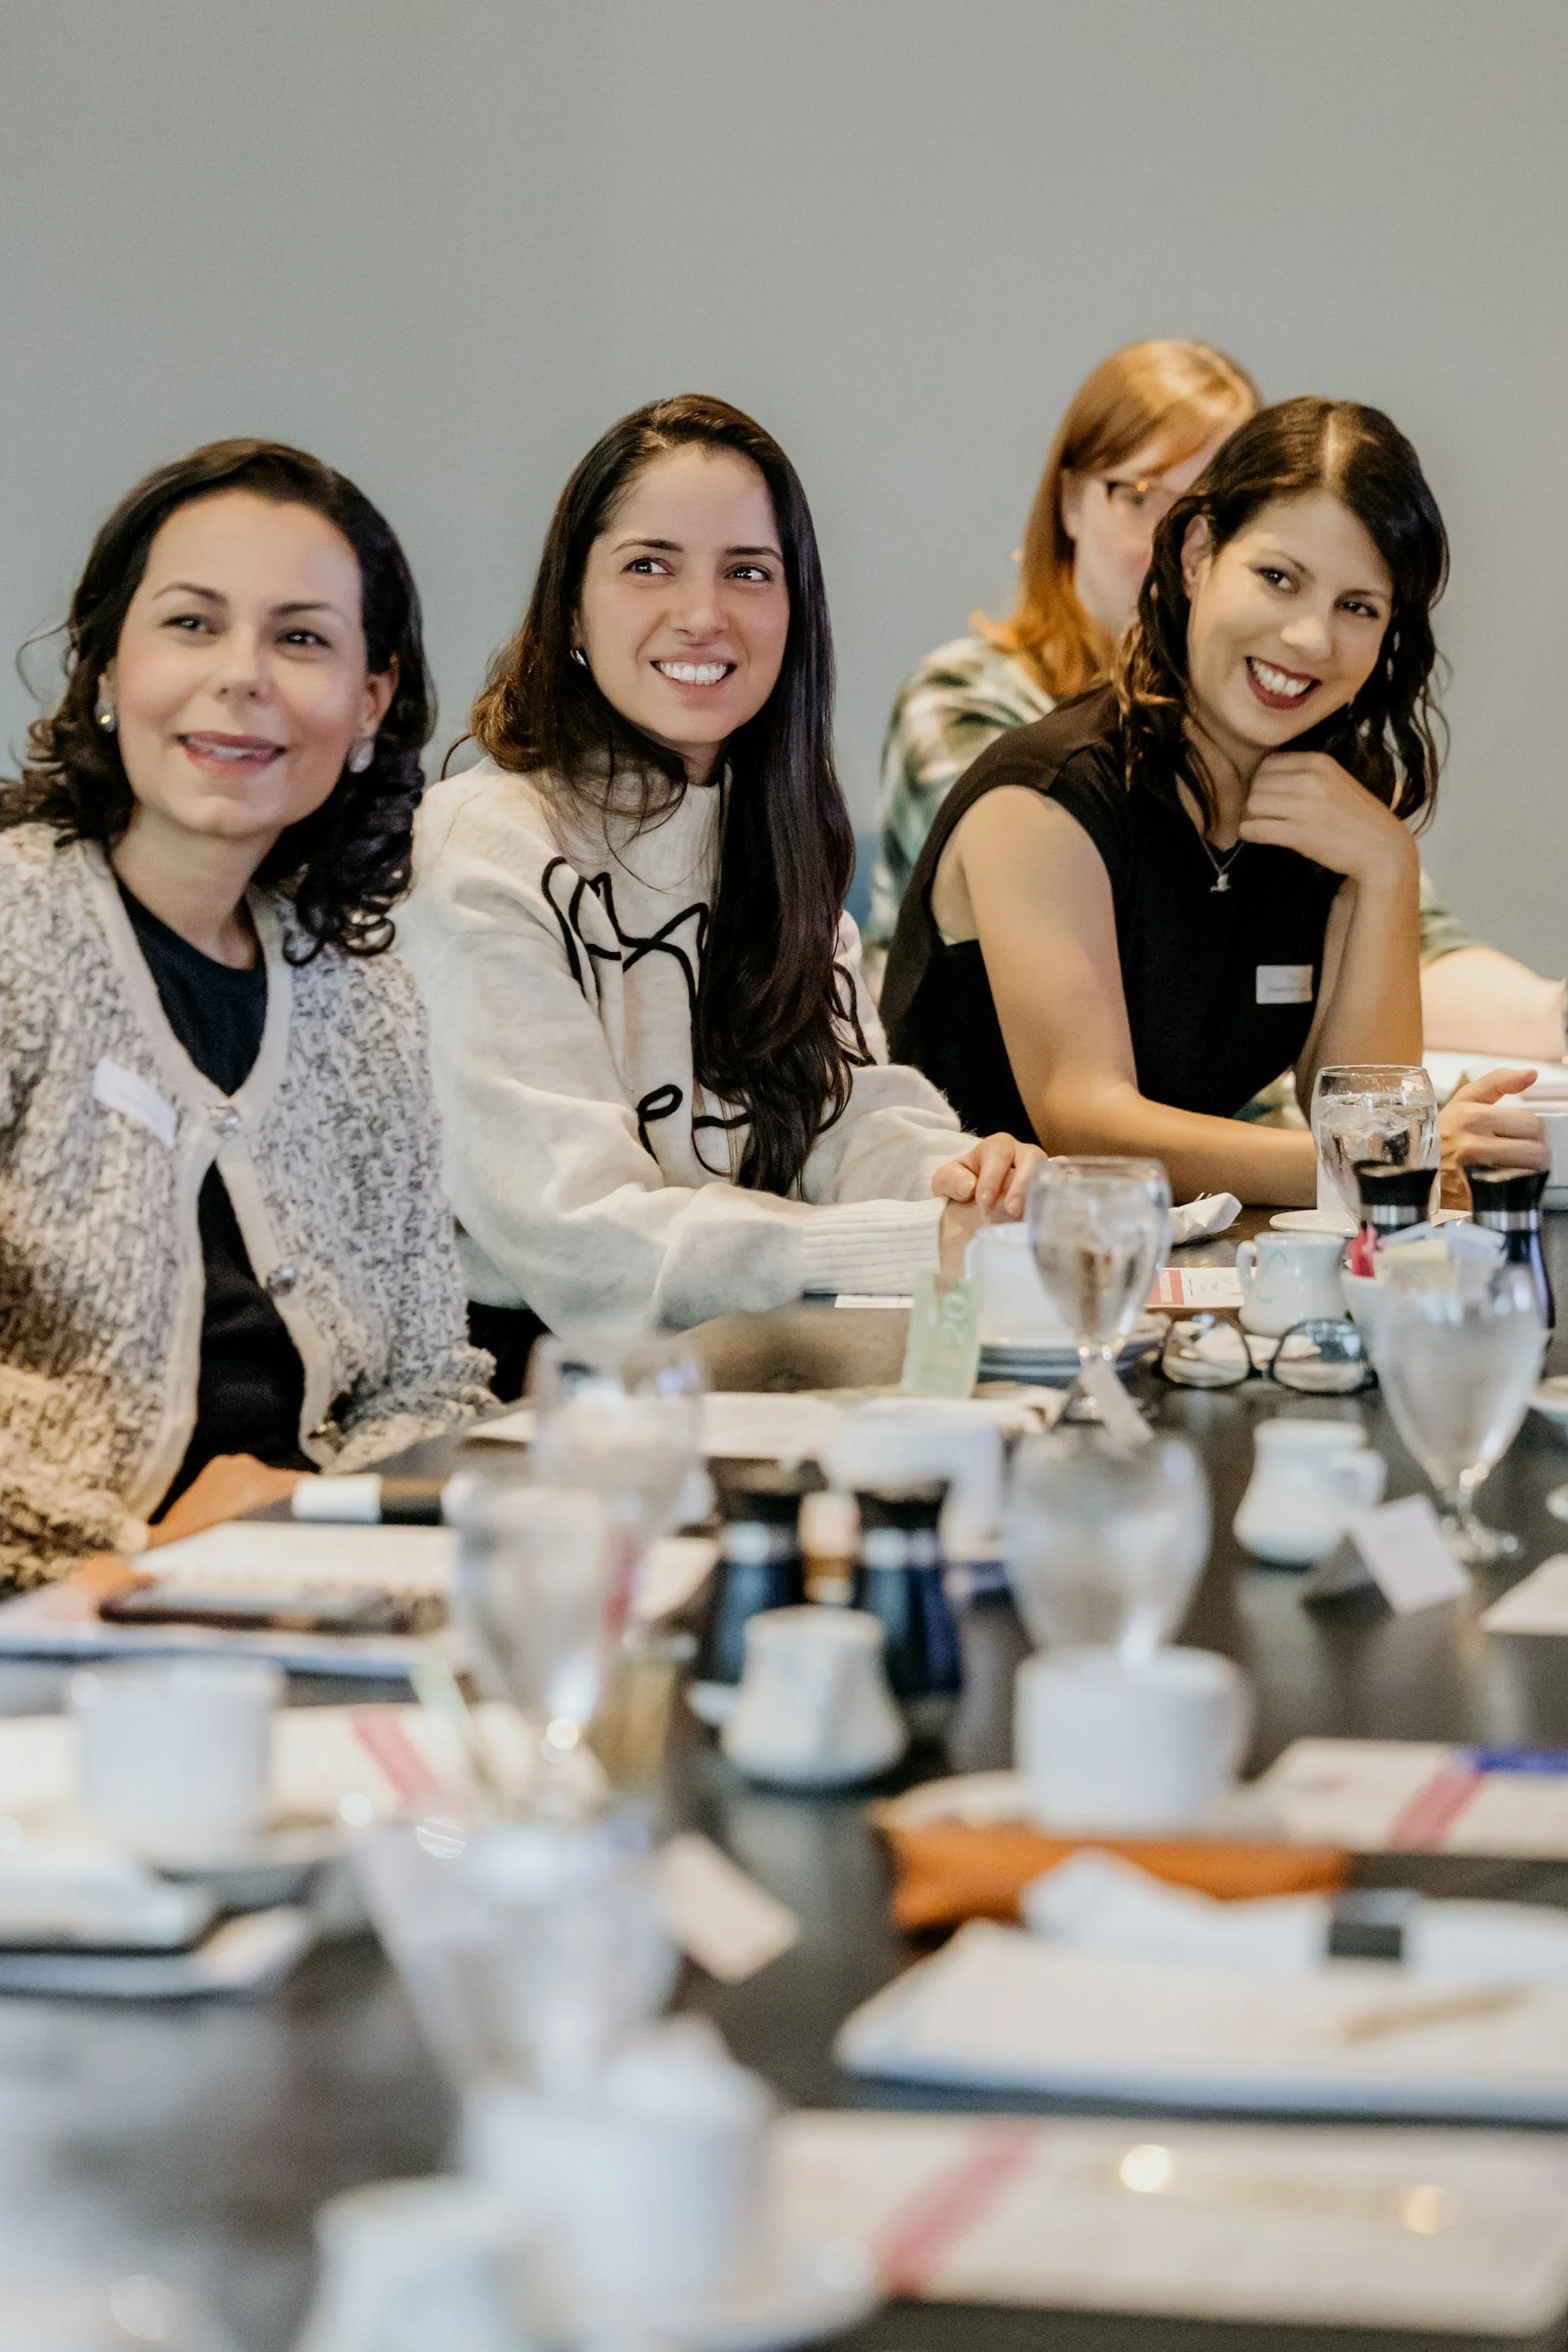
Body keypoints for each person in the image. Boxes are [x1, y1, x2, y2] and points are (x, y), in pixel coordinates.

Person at [401, 394, 1041, 1377]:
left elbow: (846, 1109)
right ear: (572, 605)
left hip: (765, 1355)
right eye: (648, 565)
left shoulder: (769, 827)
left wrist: (958, 1185)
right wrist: (909, 1244)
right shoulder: (477, 847)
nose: (702, 615)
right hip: (539, 1393)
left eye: (748, 572)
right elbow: (585, 1247)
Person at [0, 439, 494, 1585]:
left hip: (310, 1596)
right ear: (107, 667)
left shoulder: (361, 996)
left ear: (369, 702)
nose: (243, 674)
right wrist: (149, 1552)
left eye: (302, 637)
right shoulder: (18, 931)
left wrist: (327, 1522)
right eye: (191, 623)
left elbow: (427, 1377)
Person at [881, 397, 1551, 1207]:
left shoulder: (1339, 805)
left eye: (1357, 608)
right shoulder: (1049, 794)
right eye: (1278, 579)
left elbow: (1361, 1113)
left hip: (1184, 1265)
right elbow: (1084, 1120)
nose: (1310, 638)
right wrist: (1378, 1165)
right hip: (960, 1271)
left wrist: (1387, 868)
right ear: (1199, 556)